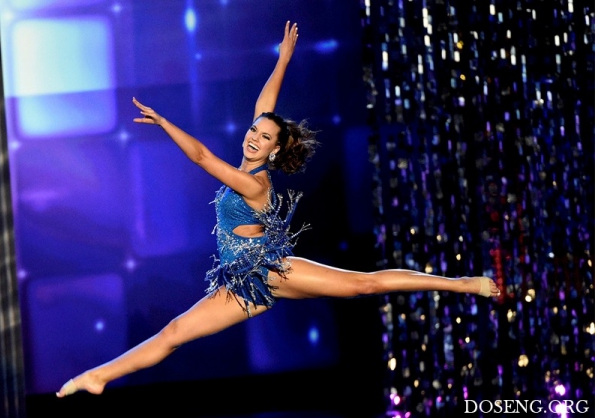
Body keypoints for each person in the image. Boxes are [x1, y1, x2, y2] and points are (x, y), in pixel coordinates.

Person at [56, 20, 500, 398]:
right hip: (241, 285)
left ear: (273, 151)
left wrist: (165, 122)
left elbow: (202, 158)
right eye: (253, 131)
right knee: (173, 333)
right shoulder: (250, 155)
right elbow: (264, 107)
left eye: (264, 138)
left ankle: (461, 284)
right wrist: (283, 59)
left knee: (363, 286)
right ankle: (99, 376)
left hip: (271, 271)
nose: (254, 137)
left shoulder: (253, 182)